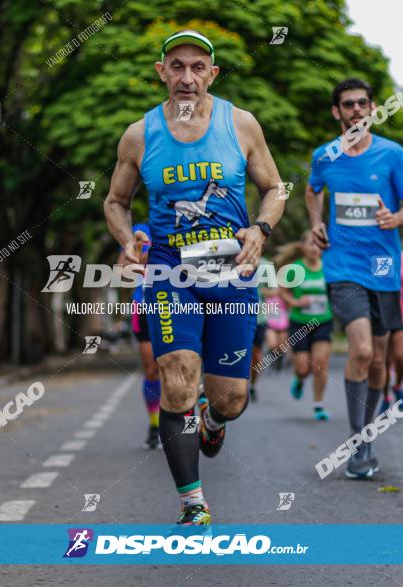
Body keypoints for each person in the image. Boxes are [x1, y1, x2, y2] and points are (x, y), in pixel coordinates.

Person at [103, 30, 285, 524]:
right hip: (168, 275)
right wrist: (126, 241)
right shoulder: (139, 135)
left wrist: (260, 228)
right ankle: (193, 505)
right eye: (177, 66)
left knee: (232, 396)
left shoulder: (241, 125)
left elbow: (274, 187)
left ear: (212, 74)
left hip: (232, 276)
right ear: (162, 72)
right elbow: (116, 201)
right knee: (177, 377)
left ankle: (213, 420)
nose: (187, 77)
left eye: (197, 67)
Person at [306, 78, 403, 479]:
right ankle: (359, 442)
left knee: (379, 361)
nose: (356, 110)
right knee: (360, 352)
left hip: (384, 270)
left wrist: (396, 217)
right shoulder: (324, 156)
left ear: (372, 109)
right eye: (347, 105)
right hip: (342, 268)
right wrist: (316, 223)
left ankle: (367, 432)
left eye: (362, 103)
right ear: (336, 112)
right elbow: (311, 191)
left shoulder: (393, 155)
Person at [275, 232, 334, 421]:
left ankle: (318, 405)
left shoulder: (329, 268)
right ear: (303, 247)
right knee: (302, 368)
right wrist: (295, 302)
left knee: (319, 364)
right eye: (311, 244)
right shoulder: (295, 269)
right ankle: (299, 379)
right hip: (299, 323)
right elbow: (281, 291)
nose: (315, 248)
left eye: (318, 245)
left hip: (323, 321)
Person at [117, 223, 162, 449]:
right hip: (144, 306)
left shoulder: (190, 227)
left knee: (180, 365)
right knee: (152, 369)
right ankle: (155, 425)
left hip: (180, 305)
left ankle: (180, 421)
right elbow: (122, 268)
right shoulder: (140, 231)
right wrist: (150, 255)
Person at [380, 251, 403, 413]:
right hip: (382, 315)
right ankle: (385, 397)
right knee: (383, 363)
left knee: (402, 357)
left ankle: (398, 385)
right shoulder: (374, 253)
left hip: (402, 316)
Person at [248, 257, 276, 402]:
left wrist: (261, 291)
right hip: (237, 314)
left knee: (256, 354)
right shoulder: (235, 259)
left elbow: (274, 291)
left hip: (259, 317)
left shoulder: (266, 265)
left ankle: (252, 384)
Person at [264, 282, 290, 372]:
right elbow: (263, 291)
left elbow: (291, 305)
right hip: (271, 324)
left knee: (281, 346)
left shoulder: (286, 295)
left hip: (283, 324)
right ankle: (272, 359)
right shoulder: (268, 294)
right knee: (272, 344)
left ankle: (279, 362)